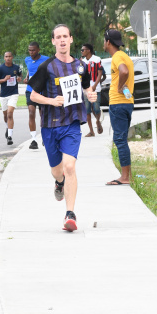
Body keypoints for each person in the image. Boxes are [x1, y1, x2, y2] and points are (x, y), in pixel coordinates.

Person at [27, 24, 97, 232]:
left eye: (65, 36)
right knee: (57, 171)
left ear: (71, 39)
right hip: (50, 126)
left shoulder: (80, 66)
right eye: (58, 37)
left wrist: (90, 95)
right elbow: (32, 95)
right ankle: (59, 183)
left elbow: (86, 87)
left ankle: (70, 214)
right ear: (53, 42)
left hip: (72, 123)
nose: (62, 40)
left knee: (70, 167)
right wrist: (51, 101)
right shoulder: (46, 66)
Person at [104, 29, 134, 186]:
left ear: (108, 42)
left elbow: (124, 71)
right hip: (127, 103)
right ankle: (127, 174)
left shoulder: (117, 57)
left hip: (119, 103)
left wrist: (120, 85)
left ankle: (125, 177)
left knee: (120, 139)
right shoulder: (124, 56)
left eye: (104, 41)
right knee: (122, 139)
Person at [0, 51, 22, 146]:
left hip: (14, 93)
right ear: (4, 58)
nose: (8, 58)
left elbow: (20, 75)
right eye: (6, 56)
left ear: (12, 57)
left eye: (9, 56)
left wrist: (19, 79)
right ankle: (8, 127)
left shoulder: (16, 68)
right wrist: (4, 80)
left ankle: (9, 137)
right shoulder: (0, 68)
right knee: (5, 116)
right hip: (3, 95)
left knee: (10, 113)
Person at [24, 42, 49, 149]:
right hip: (30, 90)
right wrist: (27, 78)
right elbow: (30, 71)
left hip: (42, 91)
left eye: (33, 50)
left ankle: (44, 137)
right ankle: (33, 140)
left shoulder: (46, 59)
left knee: (42, 114)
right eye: (29, 50)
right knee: (31, 113)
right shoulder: (27, 59)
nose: (31, 52)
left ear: (38, 50)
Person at [80, 43, 104, 136]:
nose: (81, 52)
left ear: (88, 50)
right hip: (85, 89)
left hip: (95, 89)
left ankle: (98, 121)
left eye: (83, 50)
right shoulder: (82, 61)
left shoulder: (97, 59)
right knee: (87, 110)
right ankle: (91, 131)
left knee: (96, 109)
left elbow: (100, 74)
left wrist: (95, 86)